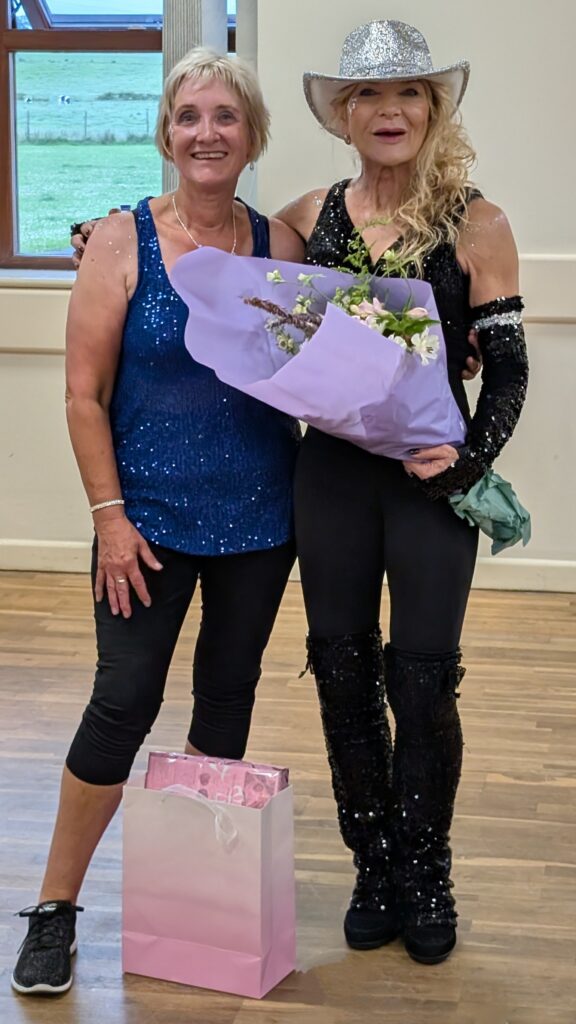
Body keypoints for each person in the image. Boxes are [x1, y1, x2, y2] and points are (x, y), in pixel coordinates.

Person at [11, 47, 304, 997]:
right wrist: (108, 517)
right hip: (144, 526)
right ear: (166, 134)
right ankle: (55, 908)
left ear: (252, 135)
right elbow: (82, 396)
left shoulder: (282, 244)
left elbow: (325, 363)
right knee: (122, 702)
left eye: (226, 115)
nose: (207, 132)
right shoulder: (118, 240)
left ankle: (196, 896)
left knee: (227, 698)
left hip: (261, 521)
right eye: (189, 115)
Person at [277, 20, 528, 965]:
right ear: (343, 116)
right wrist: (109, 227)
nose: (390, 111)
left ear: (433, 109)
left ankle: (426, 870)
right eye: (369, 96)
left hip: (429, 489)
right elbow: (212, 240)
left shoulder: (476, 221)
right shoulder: (309, 215)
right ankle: (373, 864)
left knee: (421, 685)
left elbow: (508, 370)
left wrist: (468, 464)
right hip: (332, 479)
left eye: (409, 93)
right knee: (343, 676)